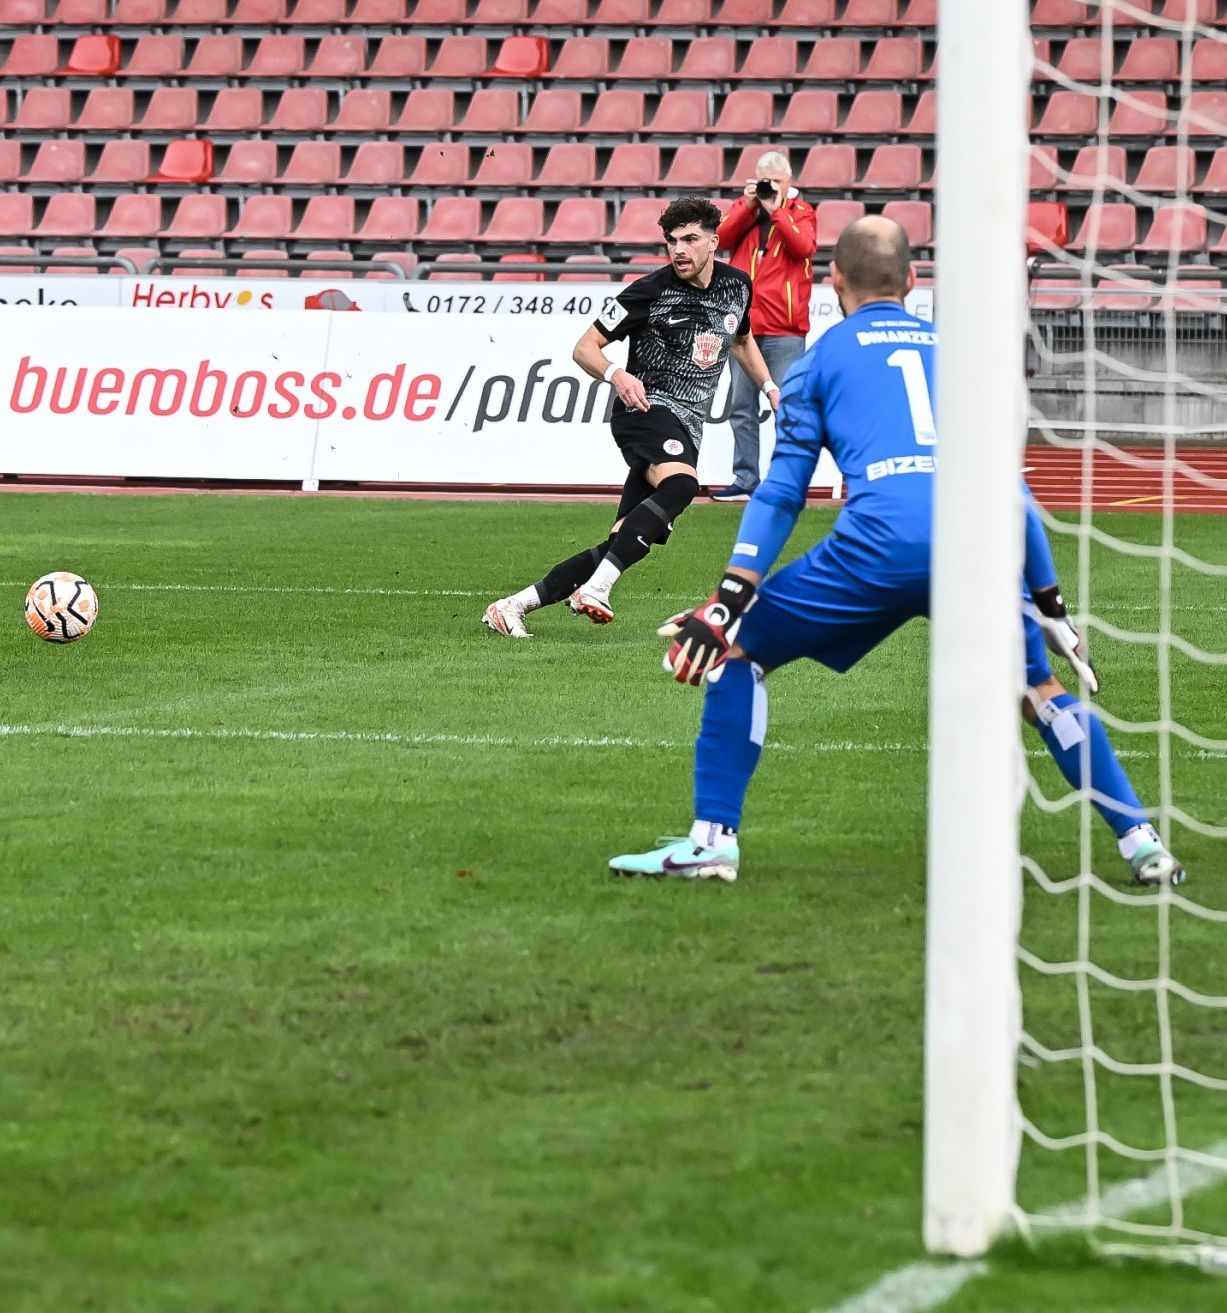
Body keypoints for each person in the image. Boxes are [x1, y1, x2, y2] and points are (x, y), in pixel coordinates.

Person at [607, 216, 1184, 888]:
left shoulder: (819, 362)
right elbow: (1011, 487)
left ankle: (712, 844)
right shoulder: (962, 357)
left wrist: (730, 599)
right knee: (1040, 690)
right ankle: (1142, 843)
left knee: (738, 654)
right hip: (973, 548)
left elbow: (783, 492)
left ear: (833, 281)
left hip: (875, 546)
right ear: (912, 280)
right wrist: (1049, 602)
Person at [482, 197, 782, 639]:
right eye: (672, 241)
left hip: (687, 425)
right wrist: (616, 374)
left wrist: (771, 387)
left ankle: (511, 607)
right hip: (644, 409)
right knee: (682, 485)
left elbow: (741, 340)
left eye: (690, 239)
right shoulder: (649, 291)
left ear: (714, 242)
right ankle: (596, 590)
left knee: (623, 542)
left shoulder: (737, 286)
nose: (679, 249)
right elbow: (584, 348)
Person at [710, 150, 817, 503]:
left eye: (777, 181)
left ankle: (786, 481)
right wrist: (749, 204)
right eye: (765, 181)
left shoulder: (802, 212)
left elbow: (803, 246)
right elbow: (720, 238)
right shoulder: (747, 208)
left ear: (790, 182)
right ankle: (745, 479)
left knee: (787, 407)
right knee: (741, 406)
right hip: (745, 329)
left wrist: (777, 210)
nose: (772, 186)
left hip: (786, 328)